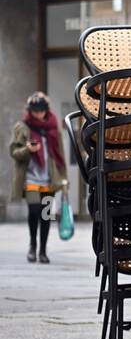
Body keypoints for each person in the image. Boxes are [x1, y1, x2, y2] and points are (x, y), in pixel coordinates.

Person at [9, 92, 67, 264]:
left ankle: (43, 251)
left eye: (40, 110)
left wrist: (63, 178)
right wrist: (27, 149)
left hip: (49, 178)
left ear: (46, 110)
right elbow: (13, 152)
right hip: (31, 178)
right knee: (34, 211)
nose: (37, 113)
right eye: (34, 110)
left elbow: (60, 153)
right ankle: (32, 246)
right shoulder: (22, 127)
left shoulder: (53, 125)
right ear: (29, 110)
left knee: (46, 215)